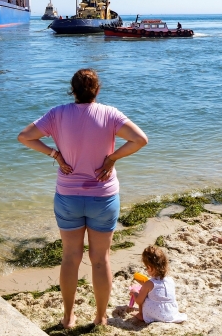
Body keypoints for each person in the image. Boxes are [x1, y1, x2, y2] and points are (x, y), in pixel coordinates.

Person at [17, 68, 148, 328]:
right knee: (100, 259)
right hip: (103, 196)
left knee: (69, 257)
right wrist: (111, 158)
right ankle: (100, 318)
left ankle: (67, 318)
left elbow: (25, 137)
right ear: (97, 90)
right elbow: (140, 139)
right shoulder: (110, 114)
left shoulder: (57, 114)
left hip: (68, 197)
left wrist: (54, 155)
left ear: (72, 90)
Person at [129, 245, 187, 324]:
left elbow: (139, 301)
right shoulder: (170, 280)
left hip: (156, 313)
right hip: (171, 313)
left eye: (146, 268)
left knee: (143, 296)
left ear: (150, 267)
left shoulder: (148, 284)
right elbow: (158, 291)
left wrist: (134, 292)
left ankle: (141, 315)